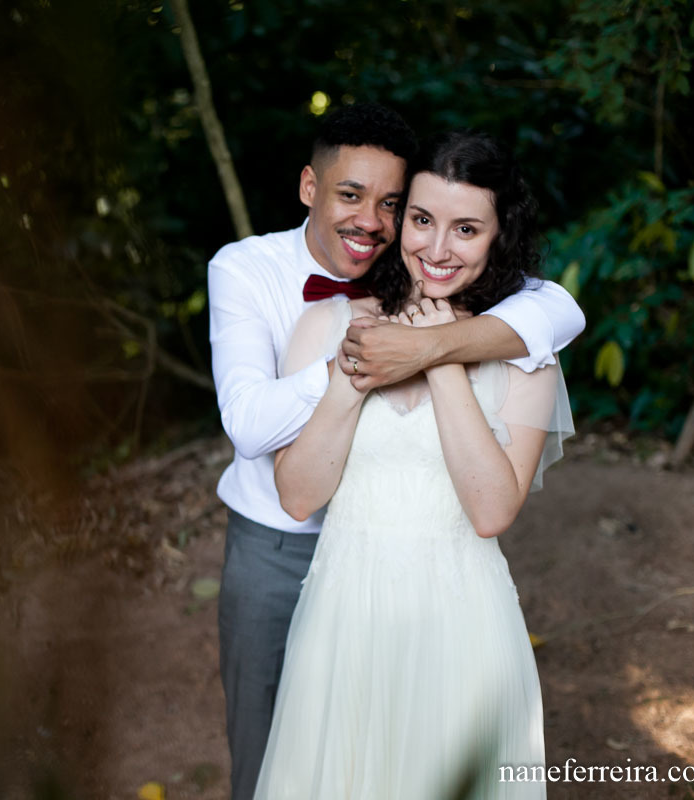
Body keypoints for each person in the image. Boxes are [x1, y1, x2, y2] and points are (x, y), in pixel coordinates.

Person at [208, 103, 584, 800]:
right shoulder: (325, 315)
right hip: (339, 608)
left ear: (500, 237)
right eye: (421, 220)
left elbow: (492, 509)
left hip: (462, 618)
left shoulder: (521, 352)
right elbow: (291, 487)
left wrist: (437, 354)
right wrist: (358, 365)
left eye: (467, 229)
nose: (437, 247)